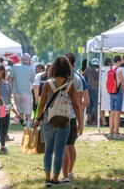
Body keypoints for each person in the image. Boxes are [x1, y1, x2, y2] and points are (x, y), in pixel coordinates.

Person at [32, 56, 80, 187]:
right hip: (65, 122)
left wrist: (37, 120)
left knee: (48, 150)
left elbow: (41, 104)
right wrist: (80, 123)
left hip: (48, 121)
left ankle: (47, 178)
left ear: (54, 68)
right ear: (68, 69)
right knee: (59, 152)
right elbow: (76, 105)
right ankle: (54, 179)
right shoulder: (70, 84)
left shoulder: (48, 83)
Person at [62, 52, 88, 183]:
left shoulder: (57, 76)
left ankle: (64, 175)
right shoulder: (78, 79)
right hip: (71, 117)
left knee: (63, 147)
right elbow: (80, 104)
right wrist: (81, 123)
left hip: (58, 115)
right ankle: (69, 172)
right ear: (74, 64)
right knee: (70, 146)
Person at [8, 53, 35, 127]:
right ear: (29, 60)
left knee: (20, 111)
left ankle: (22, 125)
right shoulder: (31, 69)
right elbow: (34, 83)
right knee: (28, 111)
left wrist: (10, 90)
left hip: (16, 93)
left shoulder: (14, 67)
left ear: (21, 59)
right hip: (27, 94)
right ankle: (28, 125)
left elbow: (10, 78)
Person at [0, 64, 12, 153]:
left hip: (7, 108)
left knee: (5, 127)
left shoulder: (6, 83)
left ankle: (3, 146)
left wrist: (10, 106)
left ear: (2, 71)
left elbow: (9, 96)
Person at [108, 55, 124, 140]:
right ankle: (116, 133)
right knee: (117, 113)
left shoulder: (110, 69)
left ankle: (110, 132)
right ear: (118, 61)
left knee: (112, 112)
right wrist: (123, 91)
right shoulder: (119, 69)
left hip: (111, 92)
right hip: (118, 92)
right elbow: (123, 82)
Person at [83, 58, 100, 125]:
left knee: (89, 105)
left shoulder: (88, 68)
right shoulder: (99, 70)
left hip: (88, 88)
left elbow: (83, 76)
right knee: (96, 106)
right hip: (96, 89)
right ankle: (96, 121)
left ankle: (89, 121)